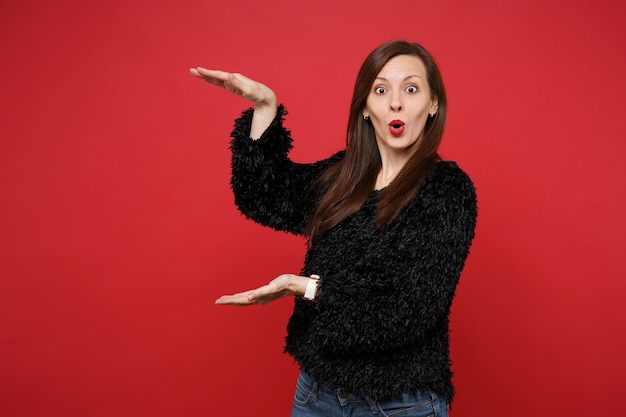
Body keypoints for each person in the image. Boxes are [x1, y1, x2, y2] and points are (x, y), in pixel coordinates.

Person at [190, 40, 477, 417]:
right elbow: (265, 197)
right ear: (364, 109)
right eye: (380, 90)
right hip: (318, 395)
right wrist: (265, 109)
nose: (395, 103)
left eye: (410, 88)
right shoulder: (345, 176)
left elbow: (410, 309)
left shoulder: (448, 190)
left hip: (401, 403)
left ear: (433, 104)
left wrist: (305, 286)